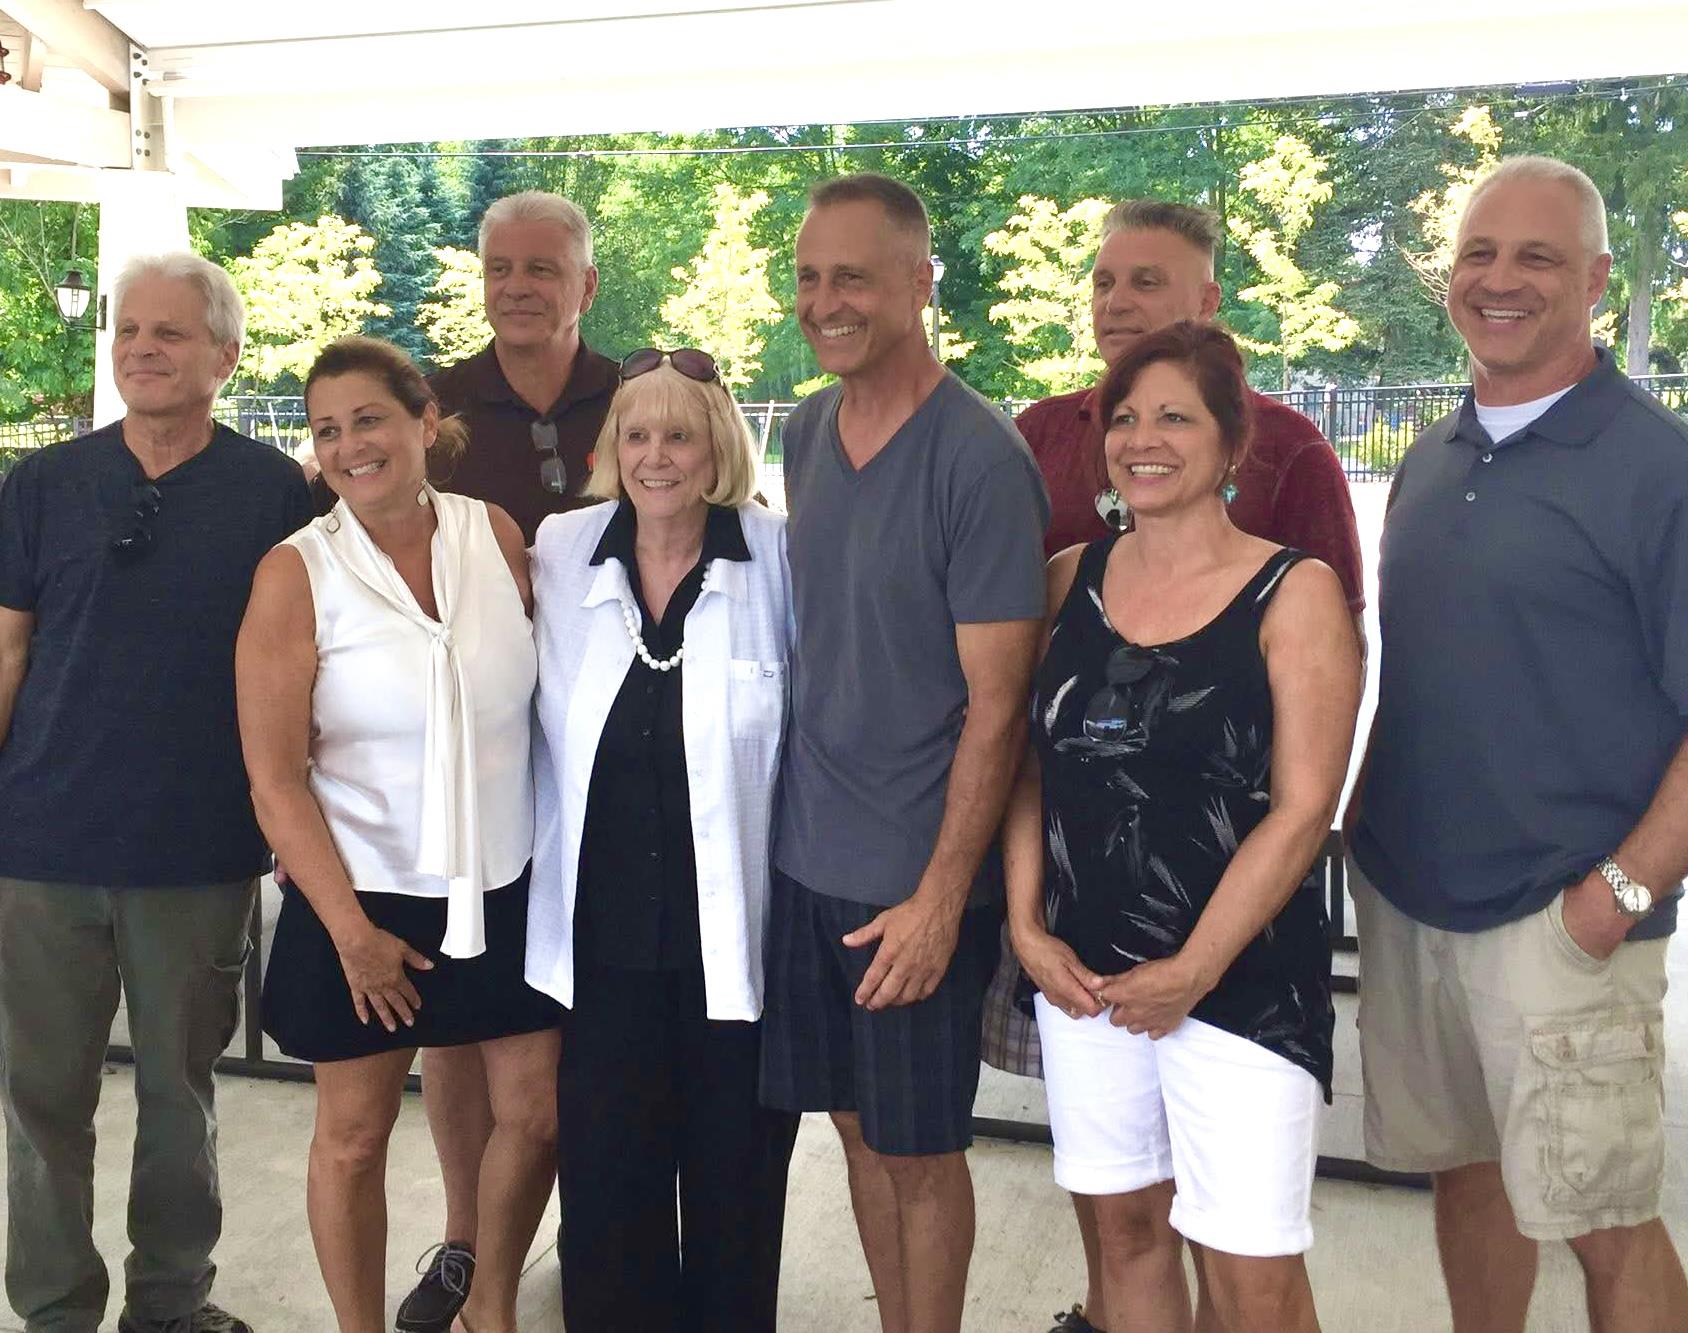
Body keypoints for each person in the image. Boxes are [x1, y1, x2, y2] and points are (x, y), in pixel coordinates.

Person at [980, 198, 1367, 1333]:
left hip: (1236, 976)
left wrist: (1195, 966)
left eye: (1174, 420)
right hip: (1083, 972)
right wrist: (1024, 926)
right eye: (1123, 419)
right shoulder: (1065, 579)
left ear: (1232, 445)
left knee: (1248, 1270)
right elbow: (1025, 769)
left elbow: (1303, 809)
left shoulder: (1289, 593)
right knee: (1123, 1236)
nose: (1140, 440)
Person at [1346, 155, 1688, 1333]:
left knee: (1602, 1216)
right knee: (1467, 1171)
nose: (1499, 280)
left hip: (1562, 917)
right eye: (1479, 253)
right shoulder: (1432, 459)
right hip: (1413, 899)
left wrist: (1621, 890)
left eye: (1535, 256)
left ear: (1594, 278)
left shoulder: (1658, 466)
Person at [303, 190, 616, 1330]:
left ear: (586, 282)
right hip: (404, 828)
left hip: (552, 797)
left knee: (555, 1065)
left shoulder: (638, 397)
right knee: (457, 1061)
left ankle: (582, 1234)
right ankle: (466, 1247)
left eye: (544, 266)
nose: (518, 285)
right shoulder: (420, 416)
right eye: (499, 266)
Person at [0, 253, 312, 1333]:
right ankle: (52, 1307)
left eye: (170, 333)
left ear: (224, 356)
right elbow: (7, 650)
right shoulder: (41, 484)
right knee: (41, 1102)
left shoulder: (274, 491)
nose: (141, 347)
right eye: (129, 330)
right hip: (40, 844)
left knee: (182, 1096)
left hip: (196, 847)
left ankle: (172, 1303)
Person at [760, 173, 1050, 1333]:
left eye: (854, 278)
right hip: (805, 859)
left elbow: (999, 706)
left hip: (913, 877)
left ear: (921, 284)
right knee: (849, 1127)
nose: (825, 302)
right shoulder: (803, 429)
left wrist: (941, 899)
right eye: (809, 277)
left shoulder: (976, 459)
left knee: (919, 1149)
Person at [236, 336, 559, 1333]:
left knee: (536, 1115)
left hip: (501, 879)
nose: (347, 446)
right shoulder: (295, 574)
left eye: (367, 419)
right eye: (326, 430)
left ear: (425, 422)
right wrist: (351, 934)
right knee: (351, 1134)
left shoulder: (495, 535)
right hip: (362, 895)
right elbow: (275, 779)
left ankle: (488, 1306)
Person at [525, 347, 799, 1330]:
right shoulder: (562, 549)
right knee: (605, 1192)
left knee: (736, 1188)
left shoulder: (775, 556)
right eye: (635, 435)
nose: (654, 456)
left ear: (715, 444)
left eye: (677, 434)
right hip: (602, 949)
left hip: (736, 948)